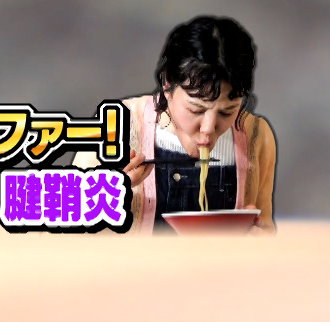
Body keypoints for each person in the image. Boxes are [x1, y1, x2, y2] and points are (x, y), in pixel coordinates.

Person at [75, 16, 277, 234]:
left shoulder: (256, 136)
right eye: (196, 110)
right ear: (167, 84)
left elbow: (265, 228)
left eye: (226, 112)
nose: (208, 128)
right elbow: (65, 226)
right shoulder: (118, 126)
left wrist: (257, 236)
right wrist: (106, 196)